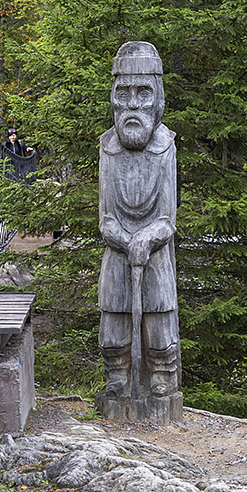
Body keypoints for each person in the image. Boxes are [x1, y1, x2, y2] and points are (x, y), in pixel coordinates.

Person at [98, 41, 179, 400]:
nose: (132, 104)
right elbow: (105, 216)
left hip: (155, 251)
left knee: (159, 321)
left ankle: (162, 371)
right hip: (118, 251)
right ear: (113, 97)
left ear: (158, 98)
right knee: (113, 321)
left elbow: (168, 217)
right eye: (124, 93)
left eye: (143, 93)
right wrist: (121, 237)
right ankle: (117, 372)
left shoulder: (165, 146)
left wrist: (146, 238)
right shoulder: (108, 147)